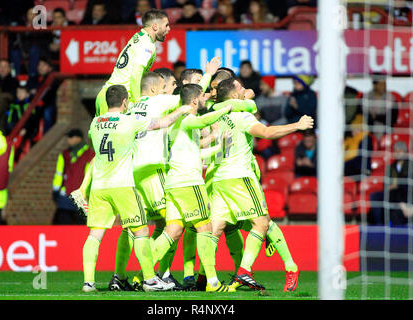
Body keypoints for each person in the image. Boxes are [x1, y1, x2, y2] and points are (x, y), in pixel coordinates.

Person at [82, 84, 190, 292]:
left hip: (98, 187)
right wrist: (182, 109)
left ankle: (88, 282)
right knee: (140, 231)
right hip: (122, 185)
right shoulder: (129, 121)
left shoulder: (95, 123)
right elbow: (164, 122)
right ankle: (150, 279)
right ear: (125, 102)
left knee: (94, 235)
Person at [209, 77, 312, 292]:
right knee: (262, 224)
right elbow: (266, 133)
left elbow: (248, 96)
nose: (246, 88)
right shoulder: (242, 116)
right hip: (239, 177)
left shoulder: (213, 113)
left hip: (219, 178)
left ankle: (211, 279)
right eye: (241, 86)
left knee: (216, 229)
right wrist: (298, 125)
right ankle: (248, 271)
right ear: (234, 95)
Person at [70, 9, 171, 211]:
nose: (169, 29)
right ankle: (87, 191)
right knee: (113, 148)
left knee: (105, 148)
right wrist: (136, 102)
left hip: (108, 94)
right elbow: (135, 75)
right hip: (119, 97)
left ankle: (84, 190)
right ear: (155, 26)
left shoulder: (138, 37)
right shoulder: (147, 45)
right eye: (166, 25)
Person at [150, 83, 235, 293]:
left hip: (173, 183)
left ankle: (142, 275)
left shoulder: (177, 125)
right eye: (203, 95)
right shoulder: (187, 120)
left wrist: (219, 146)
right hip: (188, 182)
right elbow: (204, 119)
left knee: (173, 230)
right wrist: (225, 109)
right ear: (195, 100)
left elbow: (194, 155)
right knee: (205, 228)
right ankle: (213, 282)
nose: (206, 97)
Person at [52, 129, 94, 225]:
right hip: (65, 196)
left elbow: (90, 176)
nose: (68, 140)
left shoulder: (90, 154)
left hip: (82, 197)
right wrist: (56, 191)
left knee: (81, 226)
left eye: (71, 137)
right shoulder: (65, 154)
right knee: (63, 225)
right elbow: (59, 174)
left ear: (78, 138)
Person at [370, 141, 413, 225]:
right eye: (396, 151)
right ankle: (379, 224)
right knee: (375, 196)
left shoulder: (412, 164)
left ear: (405, 151)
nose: (398, 153)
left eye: (400, 150)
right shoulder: (391, 167)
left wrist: (397, 185)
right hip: (393, 192)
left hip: (408, 192)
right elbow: (387, 185)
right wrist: (393, 186)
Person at [27, 57, 61, 134]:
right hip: (35, 105)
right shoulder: (34, 78)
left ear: (50, 68)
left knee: (47, 112)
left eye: (44, 65)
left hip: (48, 104)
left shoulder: (53, 78)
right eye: (39, 65)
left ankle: (47, 135)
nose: (40, 67)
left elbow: (49, 93)